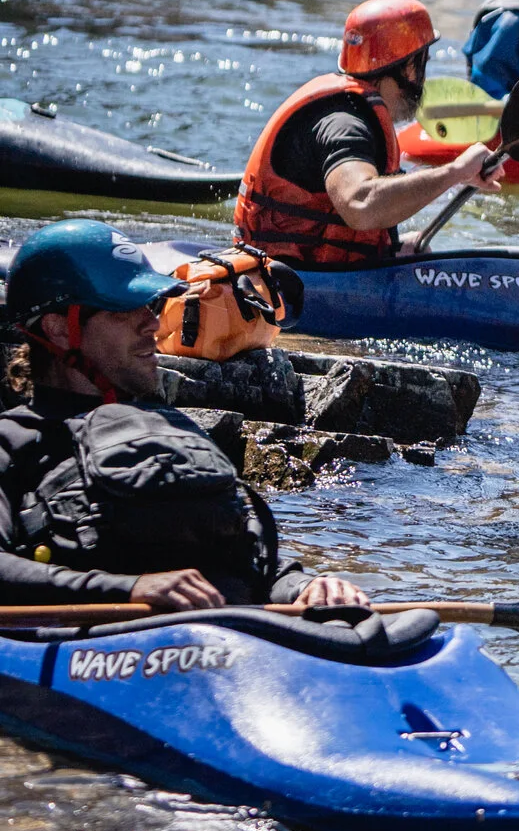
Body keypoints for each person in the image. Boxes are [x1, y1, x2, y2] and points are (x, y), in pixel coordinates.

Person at [0, 221, 367, 608]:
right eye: (126, 309)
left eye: (152, 305)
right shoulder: (13, 444)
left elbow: (257, 563)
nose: (153, 323)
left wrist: (305, 587)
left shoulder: (175, 432)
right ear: (58, 328)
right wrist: (129, 589)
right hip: (99, 651)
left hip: (221, 645)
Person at [234, 0, 505, 265]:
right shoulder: (344, 124)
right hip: (288, 286)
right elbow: (360, 204)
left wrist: (393, 249)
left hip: (316, 277)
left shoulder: (353, 113)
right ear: (410, 68)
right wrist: (455, 171)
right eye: (423, 64)